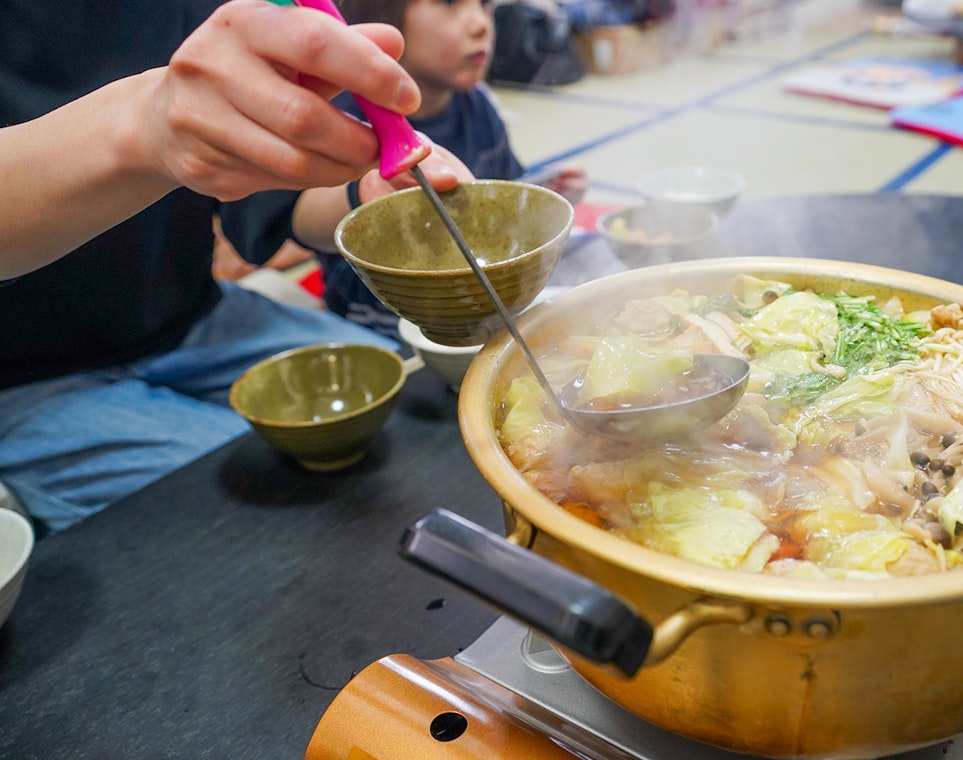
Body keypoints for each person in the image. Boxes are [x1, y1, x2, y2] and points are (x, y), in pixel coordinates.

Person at [0, 0, 472, 535]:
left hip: (193, 316)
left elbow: (277, 200)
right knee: (258, 512)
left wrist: (369, 201)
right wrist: (146, 124)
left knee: (412, 391)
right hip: (21, 377)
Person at [281, 0, 589, 337]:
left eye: (485, 5)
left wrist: (543, 198)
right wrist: (361, 193)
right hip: (381, 320)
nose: (480, 25)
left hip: (486, 306)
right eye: (450, 3)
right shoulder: (341, 114)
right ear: (382, 17)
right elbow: (297, 217)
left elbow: (505, 188)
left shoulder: (478, 105)